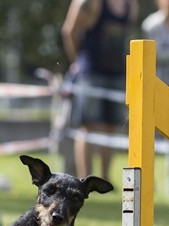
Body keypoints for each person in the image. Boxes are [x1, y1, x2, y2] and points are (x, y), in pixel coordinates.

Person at [62, 0, 139, 179]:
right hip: (91, 73)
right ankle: (85, 180)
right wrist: (78, 61)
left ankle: (105, 180)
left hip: (118, 73)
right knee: (88, 127)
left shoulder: (130, 5)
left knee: (110, 127)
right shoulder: (90, 2)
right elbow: (69, 30)